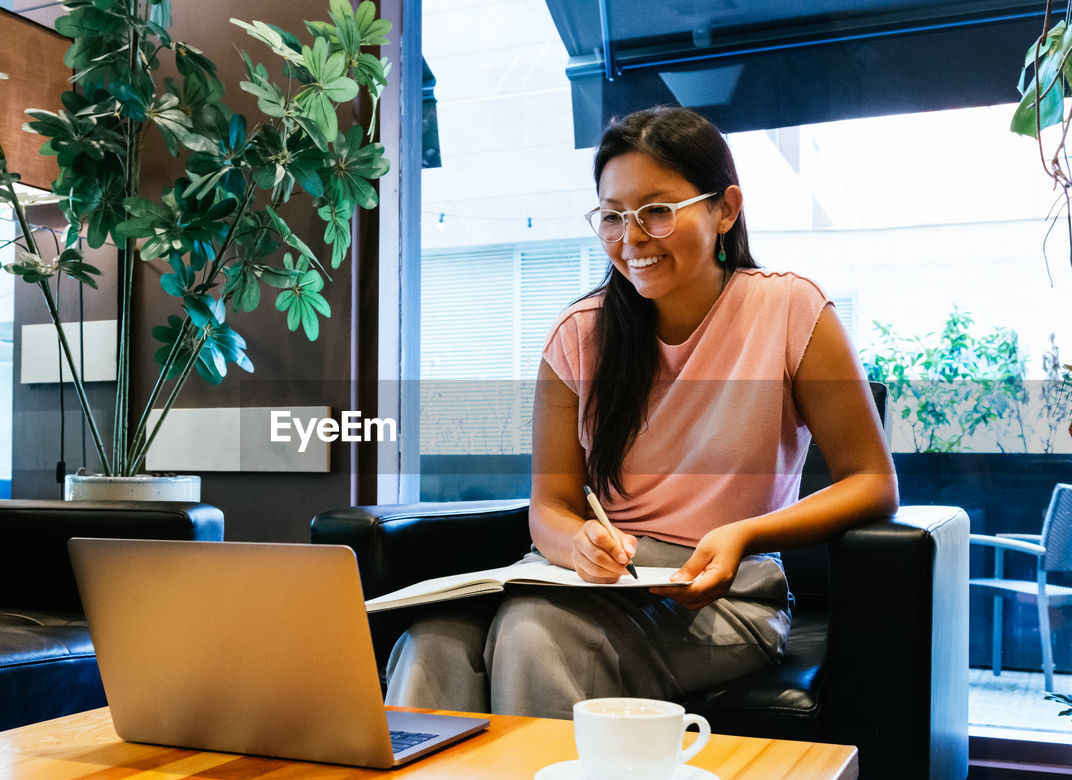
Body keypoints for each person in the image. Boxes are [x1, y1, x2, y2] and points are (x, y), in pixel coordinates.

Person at [385, 106, 898, 720]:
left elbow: (873, 482)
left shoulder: (791, 311)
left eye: (656, 212)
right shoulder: (578, 335)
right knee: (431, 644)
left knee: (534, 632)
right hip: (585, 584)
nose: (631, 239)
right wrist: (579, 543)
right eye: (612, 217)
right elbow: (549, 508)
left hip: (721, 597)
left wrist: (745, 533)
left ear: (725, 209)